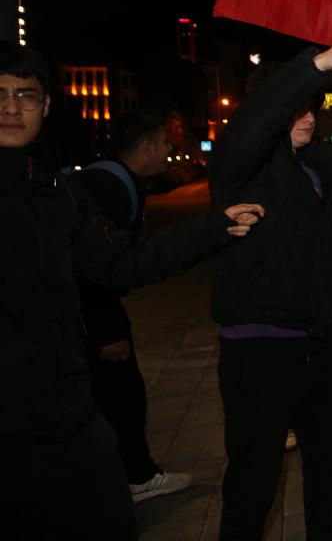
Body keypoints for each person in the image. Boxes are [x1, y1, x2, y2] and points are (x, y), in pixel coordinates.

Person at [0, 42, 261, 538]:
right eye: (0, 95)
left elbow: (124, 260)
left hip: (69, 410)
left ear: (45, 106)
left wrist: (212, 229)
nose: (12, 108)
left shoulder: (59, 191)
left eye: (25, 95)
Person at [209, 36, 332, 541]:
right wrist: (319, 64)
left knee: (330, 468)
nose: (308, 116)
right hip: (261, 347)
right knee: (254, 480)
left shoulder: (315, 170)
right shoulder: (241, 166)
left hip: (323, 344)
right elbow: (254, 124)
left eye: (312, 107)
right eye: (296, 107)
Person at [72, 110, 198, 503]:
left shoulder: (114, 180)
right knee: (120, 396)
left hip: (94, 310)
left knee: (120, 395)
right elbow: (92, 266)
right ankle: (132, 476)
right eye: (165, 144)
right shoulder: (106, 186)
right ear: (145, 147)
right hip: (90, 314)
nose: (168, 152)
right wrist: (107, 330)